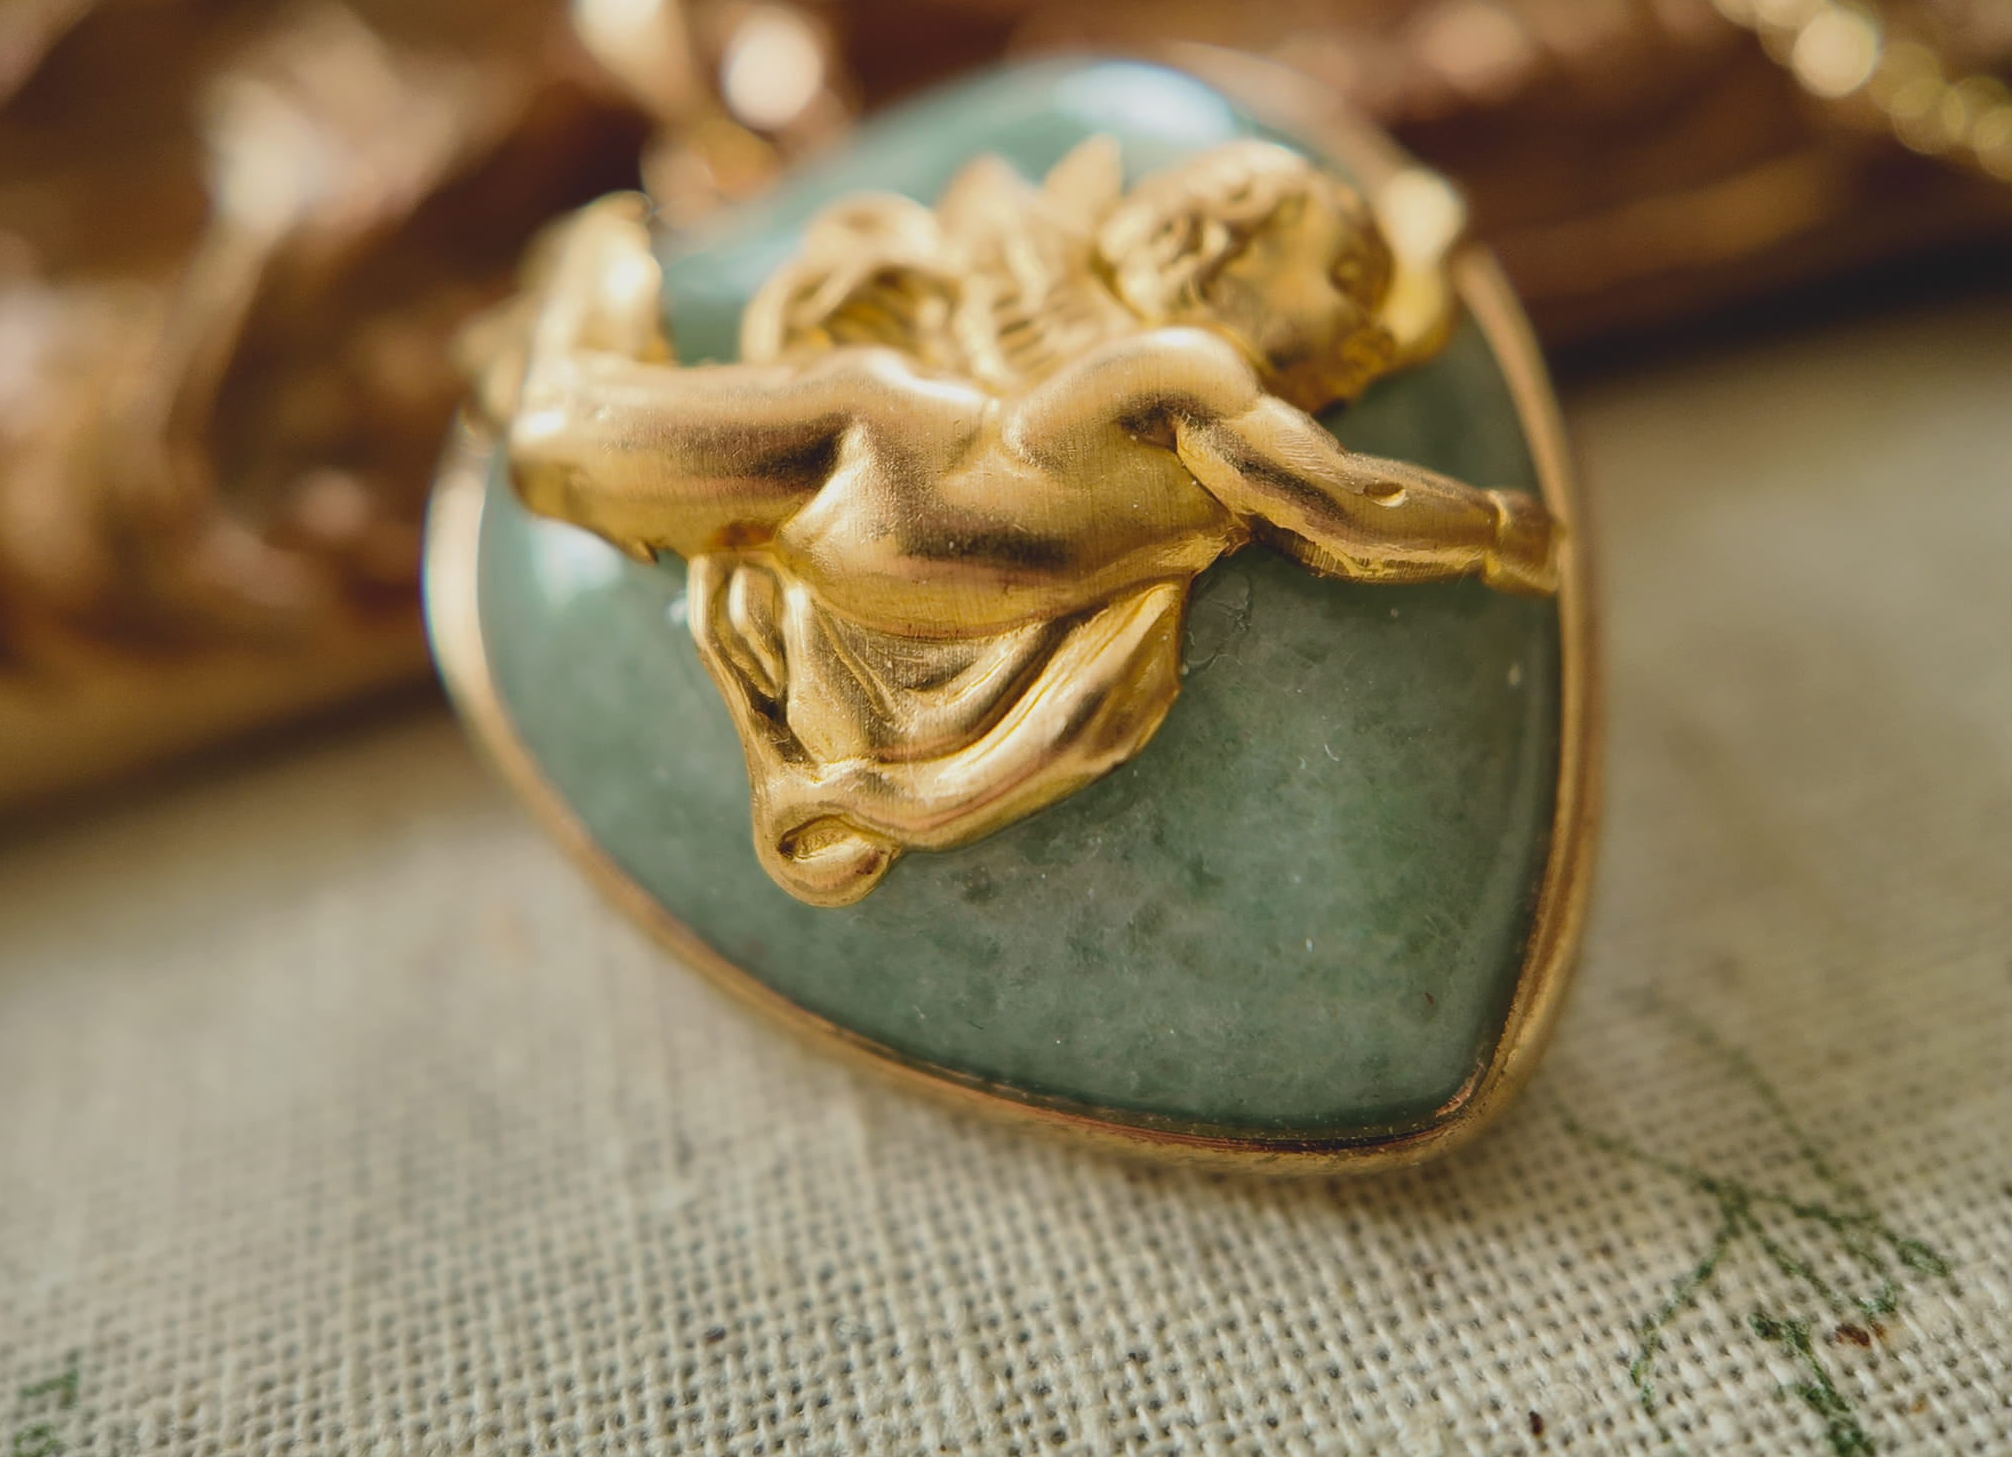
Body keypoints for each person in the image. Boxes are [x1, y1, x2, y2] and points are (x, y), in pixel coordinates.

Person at [488, 135, 1559, 906]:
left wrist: (1428, 224)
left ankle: (571, 359)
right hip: (877, 443)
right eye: (1341, 273)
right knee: (558, 440)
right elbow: (1340, 503)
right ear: (1230, 256)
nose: (1353, 317)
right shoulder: (1193, 368)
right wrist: (1489, 527)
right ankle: (584, 288)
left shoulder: (1194, 382)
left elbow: (1373, 354)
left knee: (578, 447)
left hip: (893, 517)